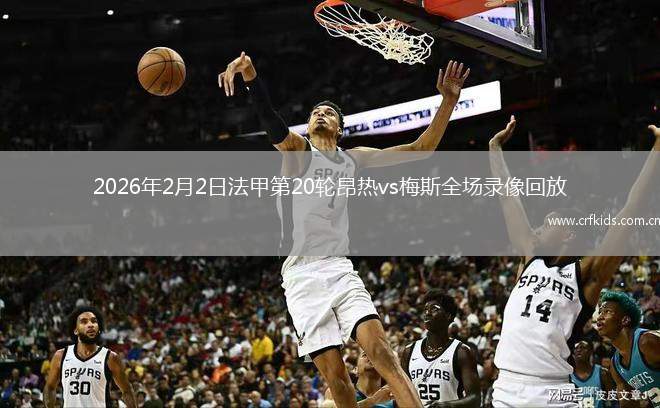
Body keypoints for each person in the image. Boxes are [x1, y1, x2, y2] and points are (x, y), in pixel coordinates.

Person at [219, 52, 470, 408]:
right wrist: (251, 76)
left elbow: (421, 148)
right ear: (308, 126)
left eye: (329, 113)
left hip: (339, 268)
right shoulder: (298, 152)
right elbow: (272, 122)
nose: (320, 115)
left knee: (384, 356)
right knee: (337, 380)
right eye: (315, 113)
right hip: (301, 276)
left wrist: (448, 101)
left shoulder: (354, 158)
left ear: (339, 129)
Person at [487, 119, 660, 407]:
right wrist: (494, 148)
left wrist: (657, 150)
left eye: (547, 223)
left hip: (550, 390)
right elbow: (508, 198)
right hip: (506, 387)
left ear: (569, 233)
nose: (537, 228)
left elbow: (632, 209)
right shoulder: (530, 258)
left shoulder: (586, 274)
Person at [43, 306, 137, 408]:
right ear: (75, 330)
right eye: (84, 322)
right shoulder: (61, 356)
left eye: (94, 321)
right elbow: (50, 387)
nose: (90, 325)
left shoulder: (110, 357)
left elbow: (127, 390)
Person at [400, 289, 480, 408]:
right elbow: (401, 393)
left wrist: (447, 406)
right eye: (425, 310)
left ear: (448, 316)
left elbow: (475, 399)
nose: (427, 313)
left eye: (434, 309)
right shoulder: (409, 351)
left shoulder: (461, 352)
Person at [596, 290, 660, 407]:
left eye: (607, 311)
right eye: (600, 312)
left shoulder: (647, 342)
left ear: (625, 320)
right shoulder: (615, 366)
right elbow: (628, 404)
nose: (599, 317)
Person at [570, 340, 614, 408]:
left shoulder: (603, 373)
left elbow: (613, 400)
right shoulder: (568, 376)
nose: (579, 350)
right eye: (576, 348)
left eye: (583, 347)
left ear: (590, 352)